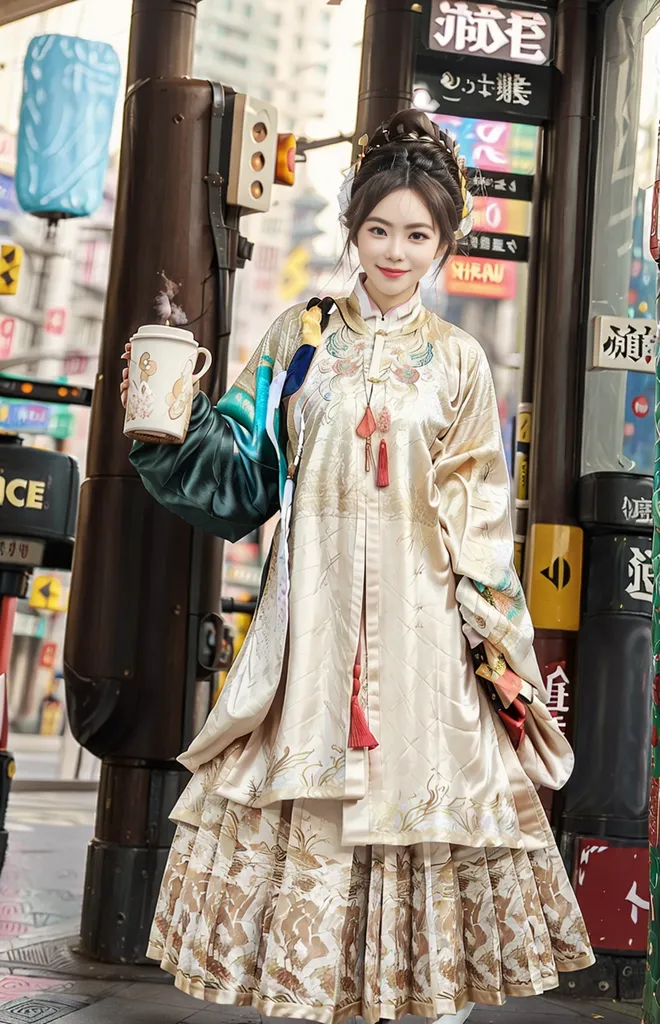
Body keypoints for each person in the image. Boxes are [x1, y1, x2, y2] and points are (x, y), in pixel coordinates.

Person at [120, 108, 594, 1024]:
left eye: (418, 235)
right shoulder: (301, 340)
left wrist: (503, 660)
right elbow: (243, 467)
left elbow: (483, 530)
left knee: (415, 829)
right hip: (315, 641)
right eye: (379, 230)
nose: (395, 252)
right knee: (315, 830)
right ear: (353, 231)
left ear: (444, 243)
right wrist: (165, 433)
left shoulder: (459, 365)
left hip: (424, 656)